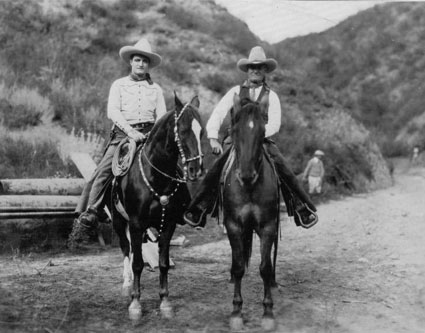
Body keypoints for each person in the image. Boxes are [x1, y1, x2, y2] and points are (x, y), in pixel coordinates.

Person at [183, 46, 318, 229]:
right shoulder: (235, 92)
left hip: (262, 140)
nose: (255, 70)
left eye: (259, 67)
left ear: (264, 71)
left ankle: (301, 207)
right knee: (217, 167)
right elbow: (218, 114)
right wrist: (213, 137)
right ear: (247, 70)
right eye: (252, 67)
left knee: (283, 168)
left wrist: (256, 135)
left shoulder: (272, 96)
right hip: (236, 141)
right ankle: (200, 207)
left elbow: (275, 124)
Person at [69, 38, 171, 243]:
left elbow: (162, 115)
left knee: (172, 167)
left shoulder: (156, 89)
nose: (141, 64)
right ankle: (91, 211)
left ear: (149, 64)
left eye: (144, 61)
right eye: (137, 60)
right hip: (124, 135)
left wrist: (153, 135)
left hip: (150, 135)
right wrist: (131, 132)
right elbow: (113, 111)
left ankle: (183, 208)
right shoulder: (119, 85)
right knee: (102, 171)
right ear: (131, 62)